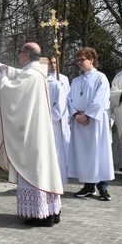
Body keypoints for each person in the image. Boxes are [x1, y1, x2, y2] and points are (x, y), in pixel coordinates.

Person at [0, 43, 63, 227]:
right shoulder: (35, 72)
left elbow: (11, 90)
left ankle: (40, 215)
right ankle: (50, 211)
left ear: (25, 54)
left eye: (19, 52)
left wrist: (2, 80)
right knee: (42, 169)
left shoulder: (31, 76)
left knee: (34, 169)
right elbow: (13, 71)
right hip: (38, 131)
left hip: (32, 135)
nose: (18, 56)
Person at [67, 47, 114, 201]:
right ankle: (88, 187)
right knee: (84, 154)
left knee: (98, 153)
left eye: (82, 59)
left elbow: (101, 99)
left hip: (95, 122)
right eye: (78, 60)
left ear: (91, 60)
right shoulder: (75, 81)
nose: (79, 62)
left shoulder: (101, 78)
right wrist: (76, 114)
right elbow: (68, 100)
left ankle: (103, 187)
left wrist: (87, 115)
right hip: (79, 121)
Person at [47, 54, 71, 184]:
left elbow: (68, 97)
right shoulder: (44, 78)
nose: (53, 65)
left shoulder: (64, 79)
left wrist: (69, 115)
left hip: (63, 116)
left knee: (62, 146)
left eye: (55, 62)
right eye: (51, 62)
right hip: (50, 118)